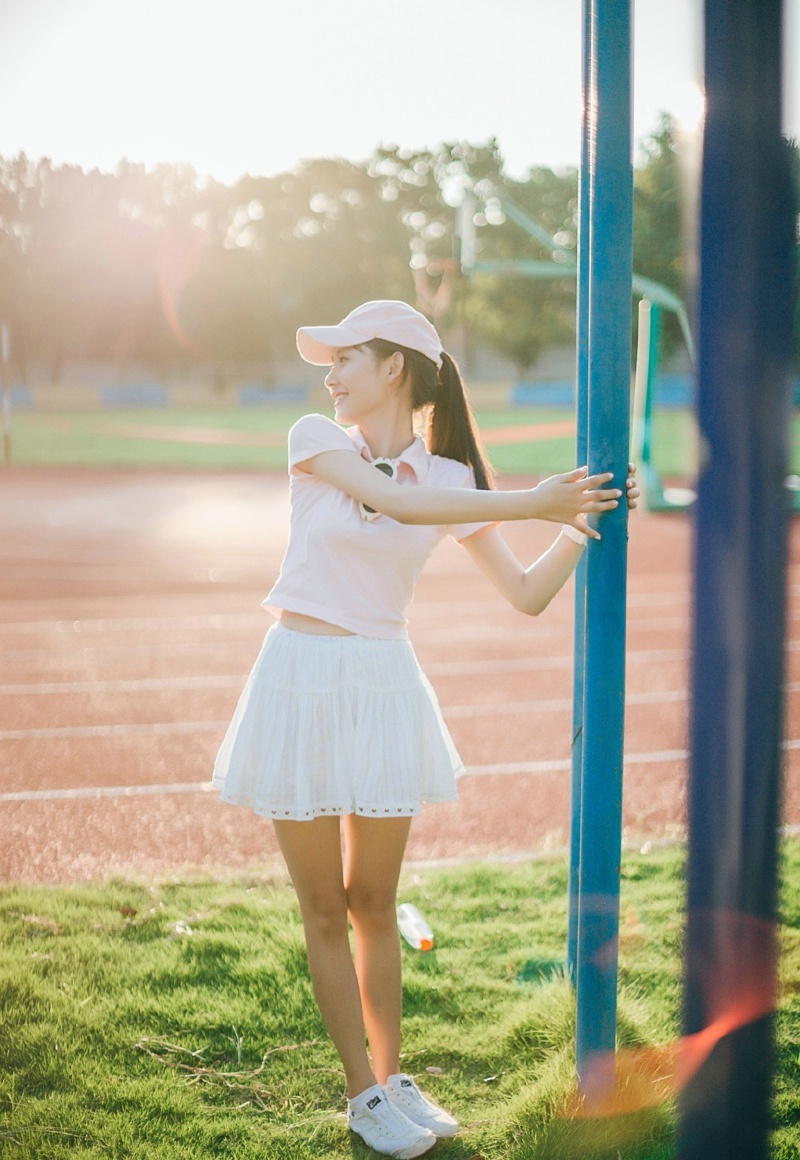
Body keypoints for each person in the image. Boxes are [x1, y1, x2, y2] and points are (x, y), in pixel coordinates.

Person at [212, 300, 638, 1159]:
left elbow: (523, 594)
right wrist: (531, 500)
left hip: (382, 684)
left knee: (374, 902)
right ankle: (359, 1091)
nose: (328, 375)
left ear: (395, 366)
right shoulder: (315, 439)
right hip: (300, 679)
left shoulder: (448, 478)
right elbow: (386, 505)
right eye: (327, 362)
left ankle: (394, 1079)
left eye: (345, 358)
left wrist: (576, 524)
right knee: (323, 906)